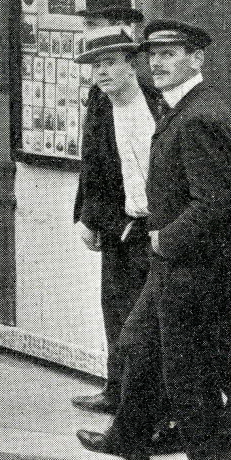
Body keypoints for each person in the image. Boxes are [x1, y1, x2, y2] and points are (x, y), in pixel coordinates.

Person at [78, 19, 231, 460]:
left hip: (189, 265)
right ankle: (130, 438)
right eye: (153, 55)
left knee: (189, 373)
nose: (159, 63)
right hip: (171, 261)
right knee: (138, 343)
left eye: (170, 54)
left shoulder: (199, 116)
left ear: (196, 58)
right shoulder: (181, 108)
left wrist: (163, 238)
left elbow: (215, 201)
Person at [71, 24, 162, 416]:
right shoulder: (100, 104)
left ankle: (148, 405)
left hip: (156, 230)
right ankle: (116, 390)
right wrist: (86, 217)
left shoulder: (158, 104)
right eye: (95, 67)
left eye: (109, 64)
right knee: (115, 312)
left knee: (150, 321)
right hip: (118, 227)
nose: (101, 73)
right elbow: (91, 164)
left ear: (131, 65)